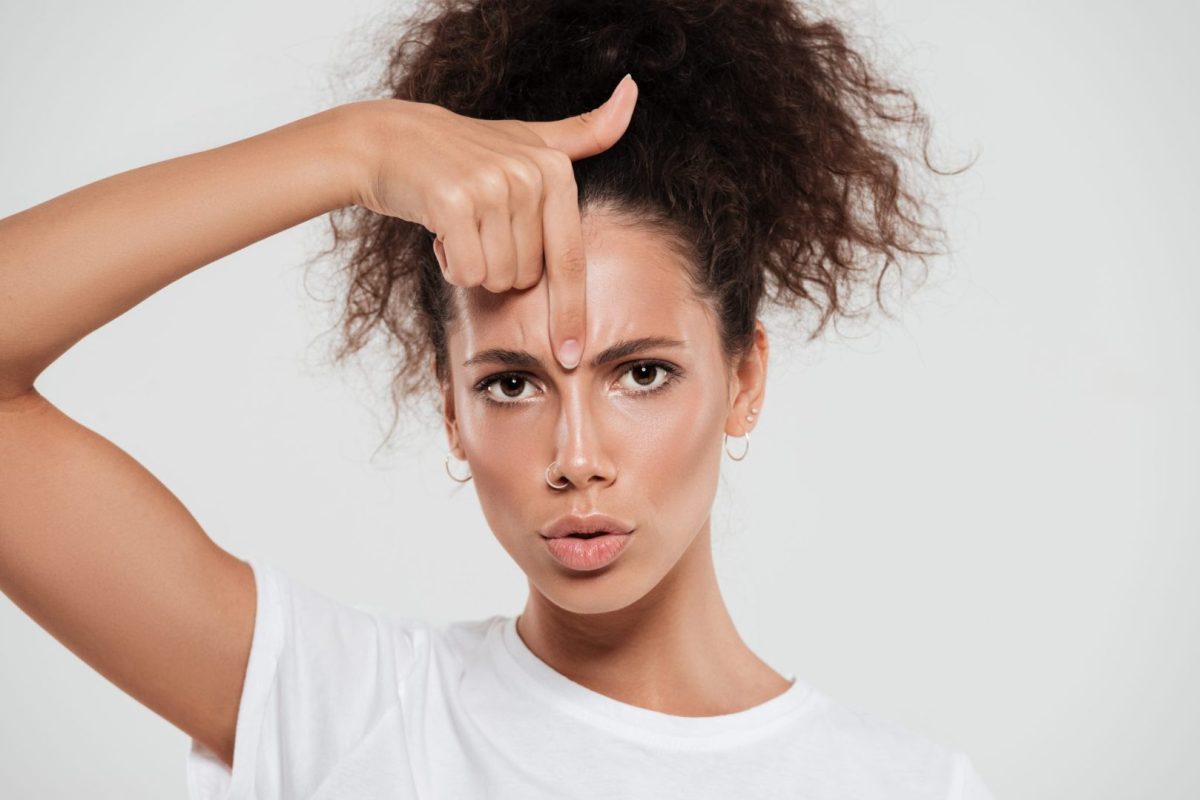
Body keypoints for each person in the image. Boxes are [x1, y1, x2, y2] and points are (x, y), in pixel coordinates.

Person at [0, 0, 993, 797]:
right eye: (511, 382)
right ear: (450, 410)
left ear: (745, 378)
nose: (577, 452)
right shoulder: (346, 713)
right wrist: (353, 148)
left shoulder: (910, 784)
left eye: (640, 371)